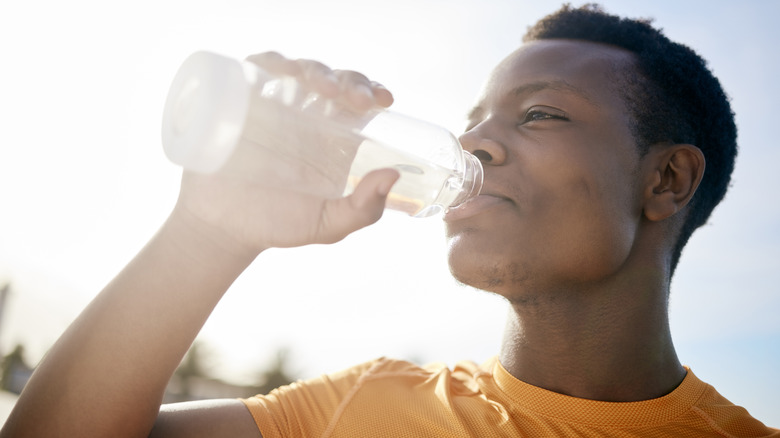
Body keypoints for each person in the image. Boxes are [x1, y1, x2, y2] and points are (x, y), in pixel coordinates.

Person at [2, 4, 777, 437]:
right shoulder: (363, 407)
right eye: (475, 120)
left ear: (667, 179)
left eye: (539, 114)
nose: (473, 141)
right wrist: (205, 235)